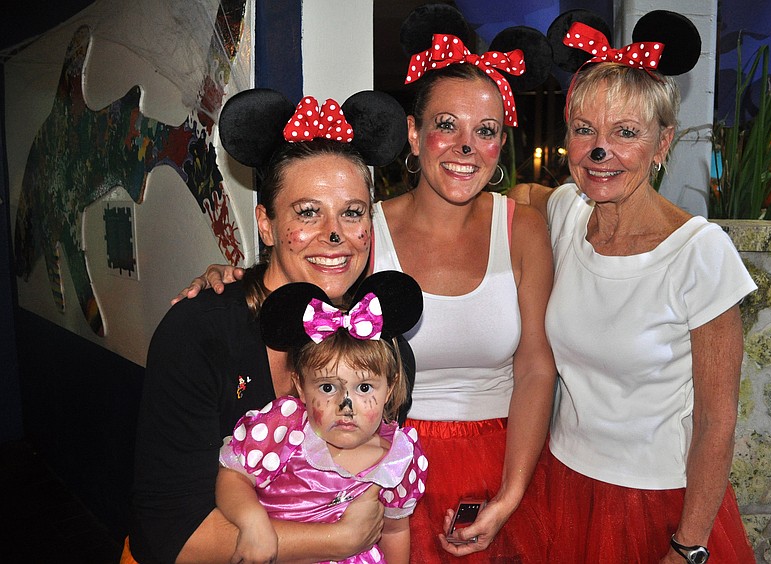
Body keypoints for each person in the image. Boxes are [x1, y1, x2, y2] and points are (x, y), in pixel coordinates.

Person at [174, 31, 558, 563]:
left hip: (499, 462)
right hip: (373, 463)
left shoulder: (524, 228)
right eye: (447, 124)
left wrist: (512, 493)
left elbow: (537, 365)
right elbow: (303, 269)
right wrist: (231, 278)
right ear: (413, 133)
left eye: (486, 130)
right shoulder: (364, 227)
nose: (466, 147)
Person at [510, 12, 757, 563]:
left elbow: (717, 422)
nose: (601, 152)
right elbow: (510, 198)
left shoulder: (699, 252)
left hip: (657, 502)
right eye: (585, 130)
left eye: (625, 132)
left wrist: (688, 546)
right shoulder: (567, 213)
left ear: (662, 142)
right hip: (562, 484)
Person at [125, 91, 408, 563]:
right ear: (267, 225)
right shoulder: (201, 332)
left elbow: (383, 498)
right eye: (308, 211)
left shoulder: (378, 340)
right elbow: (170, 533)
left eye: (352, 212)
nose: (334, 233)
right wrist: (339, 540)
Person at [217, 271, 427, 564]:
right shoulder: (285, 429)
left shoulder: (398, 458)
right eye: (328, 388)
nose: (346, 406)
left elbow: (394, 531)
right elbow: (232, 477)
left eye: (364, 387)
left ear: (389, 389)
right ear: (301, 386)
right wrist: (252, 522)